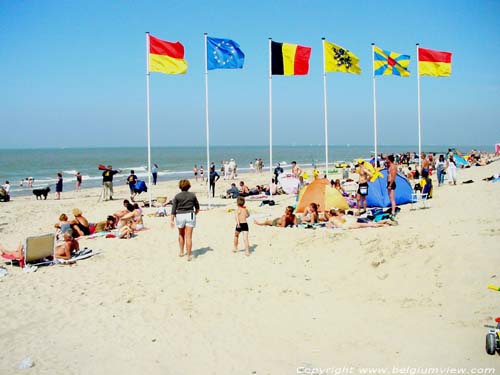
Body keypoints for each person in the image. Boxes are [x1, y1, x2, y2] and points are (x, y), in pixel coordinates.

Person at [170, 179, 200, 261]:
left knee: (181, 234)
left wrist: (172, 220)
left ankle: (181, 252)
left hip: (179, 215)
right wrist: (194, 214)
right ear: (188, 186)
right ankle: (189, 255)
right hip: (190, 214)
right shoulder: (192, 195)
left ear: (180, 186)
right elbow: (197, 208)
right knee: (189, 237)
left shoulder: (177, 196)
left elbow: (173, 210)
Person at [327, 209, 393, 229]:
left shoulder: (331, 219)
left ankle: (384, 225)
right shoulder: (340, 217)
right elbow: (344, 221)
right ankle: (385, 221)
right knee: (370, 224)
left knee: (369, 225)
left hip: (346, 226)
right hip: (348, 223)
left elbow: (328, 227)